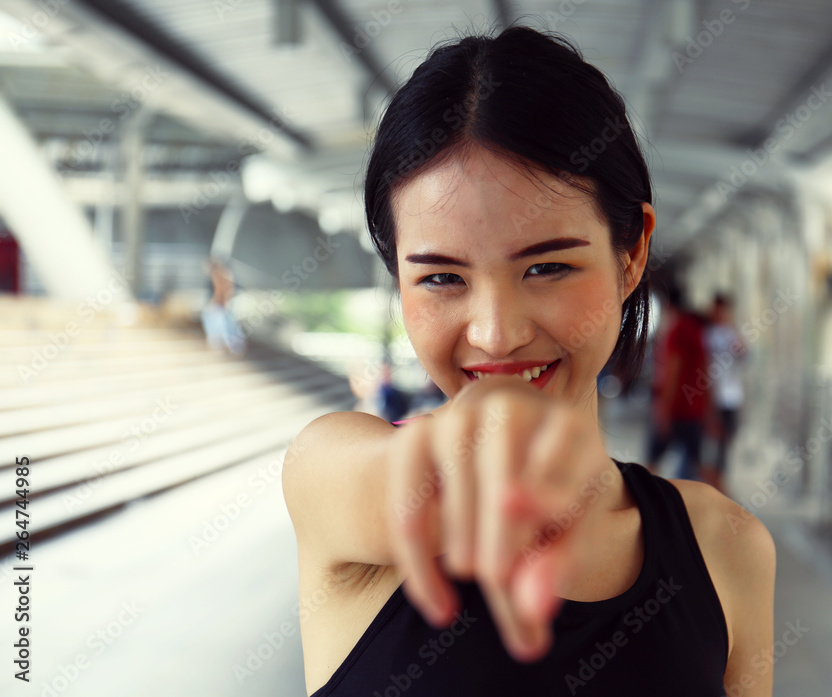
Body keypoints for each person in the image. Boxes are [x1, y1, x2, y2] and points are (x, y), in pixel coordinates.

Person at [281, 25, 775, 697]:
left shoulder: (727, 549)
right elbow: (392, 484)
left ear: (630, 257)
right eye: (441, 278)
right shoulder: (332, 479)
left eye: (547, 267)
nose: (496, 333)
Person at [646, 285, 710, 480]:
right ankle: (729, 507)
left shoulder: (677, 330)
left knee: (650, 466)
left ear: (668, 306)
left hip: (677, 410)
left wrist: (664, 411)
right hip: (694, 409)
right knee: (698, 463)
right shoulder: (697, 329)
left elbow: (672, 374)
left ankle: (634, 506)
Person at [701, 293, 746, 496]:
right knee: (713, 439)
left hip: (732, 396)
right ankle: (714, 482)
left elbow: (744, 354)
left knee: (727, 439)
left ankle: (719, 479)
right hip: (713, 396)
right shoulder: (707, 334)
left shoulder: (731, 333)